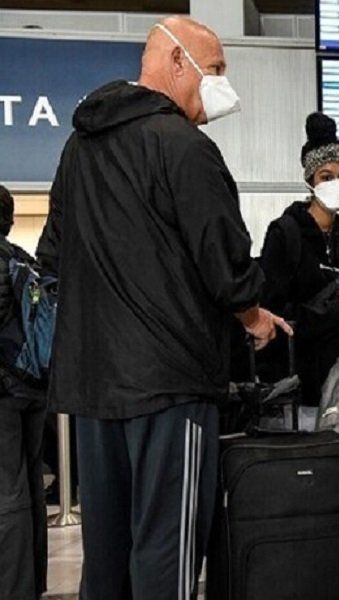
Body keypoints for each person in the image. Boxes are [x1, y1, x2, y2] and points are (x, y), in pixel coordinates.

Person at [36, 17, 289, 600]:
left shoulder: (79, 148)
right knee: (166, 552)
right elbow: (223, 260)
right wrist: (253, 317)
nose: (222, 83)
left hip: (93, 387)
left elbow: (54, 252)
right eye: (216, 68)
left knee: (106, 556)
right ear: (178, 62)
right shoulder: (184, 146)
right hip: (170, 385)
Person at [257, 112, 339, 408]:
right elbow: (273, 316)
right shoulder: (285, 234)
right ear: (310, 182)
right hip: (298, 388)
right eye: (326, 177)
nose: (337, 183)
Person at [0, 184, 47, 600]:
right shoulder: (22, 260)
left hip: (4, 392)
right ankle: (32, 583)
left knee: (8, 495)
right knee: (30, 488)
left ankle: (14, 589)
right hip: (32, 387)